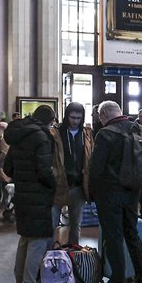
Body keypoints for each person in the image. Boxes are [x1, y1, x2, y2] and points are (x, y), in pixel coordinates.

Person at [88, 101, 142, 283]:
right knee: (132, 234)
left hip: (110, 193)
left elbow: (96, 168)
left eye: (100, 117)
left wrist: (92, 193)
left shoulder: (105, 134)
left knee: (113, 238)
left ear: (104, 114)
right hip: (133, 190)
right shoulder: (137, 128)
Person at [5, 105, 58, 283]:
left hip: (21, 194)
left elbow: (7, 167)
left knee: (24, 240)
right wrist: (53, 183)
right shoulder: (42, 137)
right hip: (38, 196)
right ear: (50, 121)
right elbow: (45, 170)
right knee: (37, 242)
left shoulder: (18, 135)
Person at [52, 103, 92, 246]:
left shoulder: (86, 134)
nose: (75, 121)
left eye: (78, 118)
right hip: (59, 183)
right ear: (67, 116)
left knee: (76, 224)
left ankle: (73, 255)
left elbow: (89, 156)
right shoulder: (57, 133)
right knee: (52, 223)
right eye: (72, 117)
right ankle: (50, 257)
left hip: (78, 184)